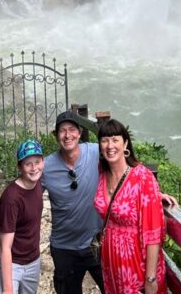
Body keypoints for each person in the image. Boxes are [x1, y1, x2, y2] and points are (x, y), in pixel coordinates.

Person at [93, 119, 166, 294]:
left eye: (115, 139)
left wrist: (150, 278)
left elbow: (153, 234)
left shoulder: (143, 178)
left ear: (125, 143)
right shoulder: (102, 172)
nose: (110, 145)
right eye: (104, 140)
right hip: (111, 262)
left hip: (136, 264)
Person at [43, 111, 105, 294]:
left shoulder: (95, 151)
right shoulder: (46, 167)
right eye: (62, 131)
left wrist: (155, 191)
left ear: (79, 133)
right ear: (56, 135)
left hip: (96, 243)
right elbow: (26, 192)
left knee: (112, 288)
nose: (67, 135)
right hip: (64, 247)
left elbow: (124, 167)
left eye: (72, 130)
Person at [0, 140, 45, 294]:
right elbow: (5, 247)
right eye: (28, 164)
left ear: (43, 162)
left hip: (33, 260)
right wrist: (8, 288)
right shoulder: (12, 198)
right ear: (19, 167)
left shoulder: (38, 183)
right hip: (12, 264)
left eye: (37, 162)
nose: (34, 168)